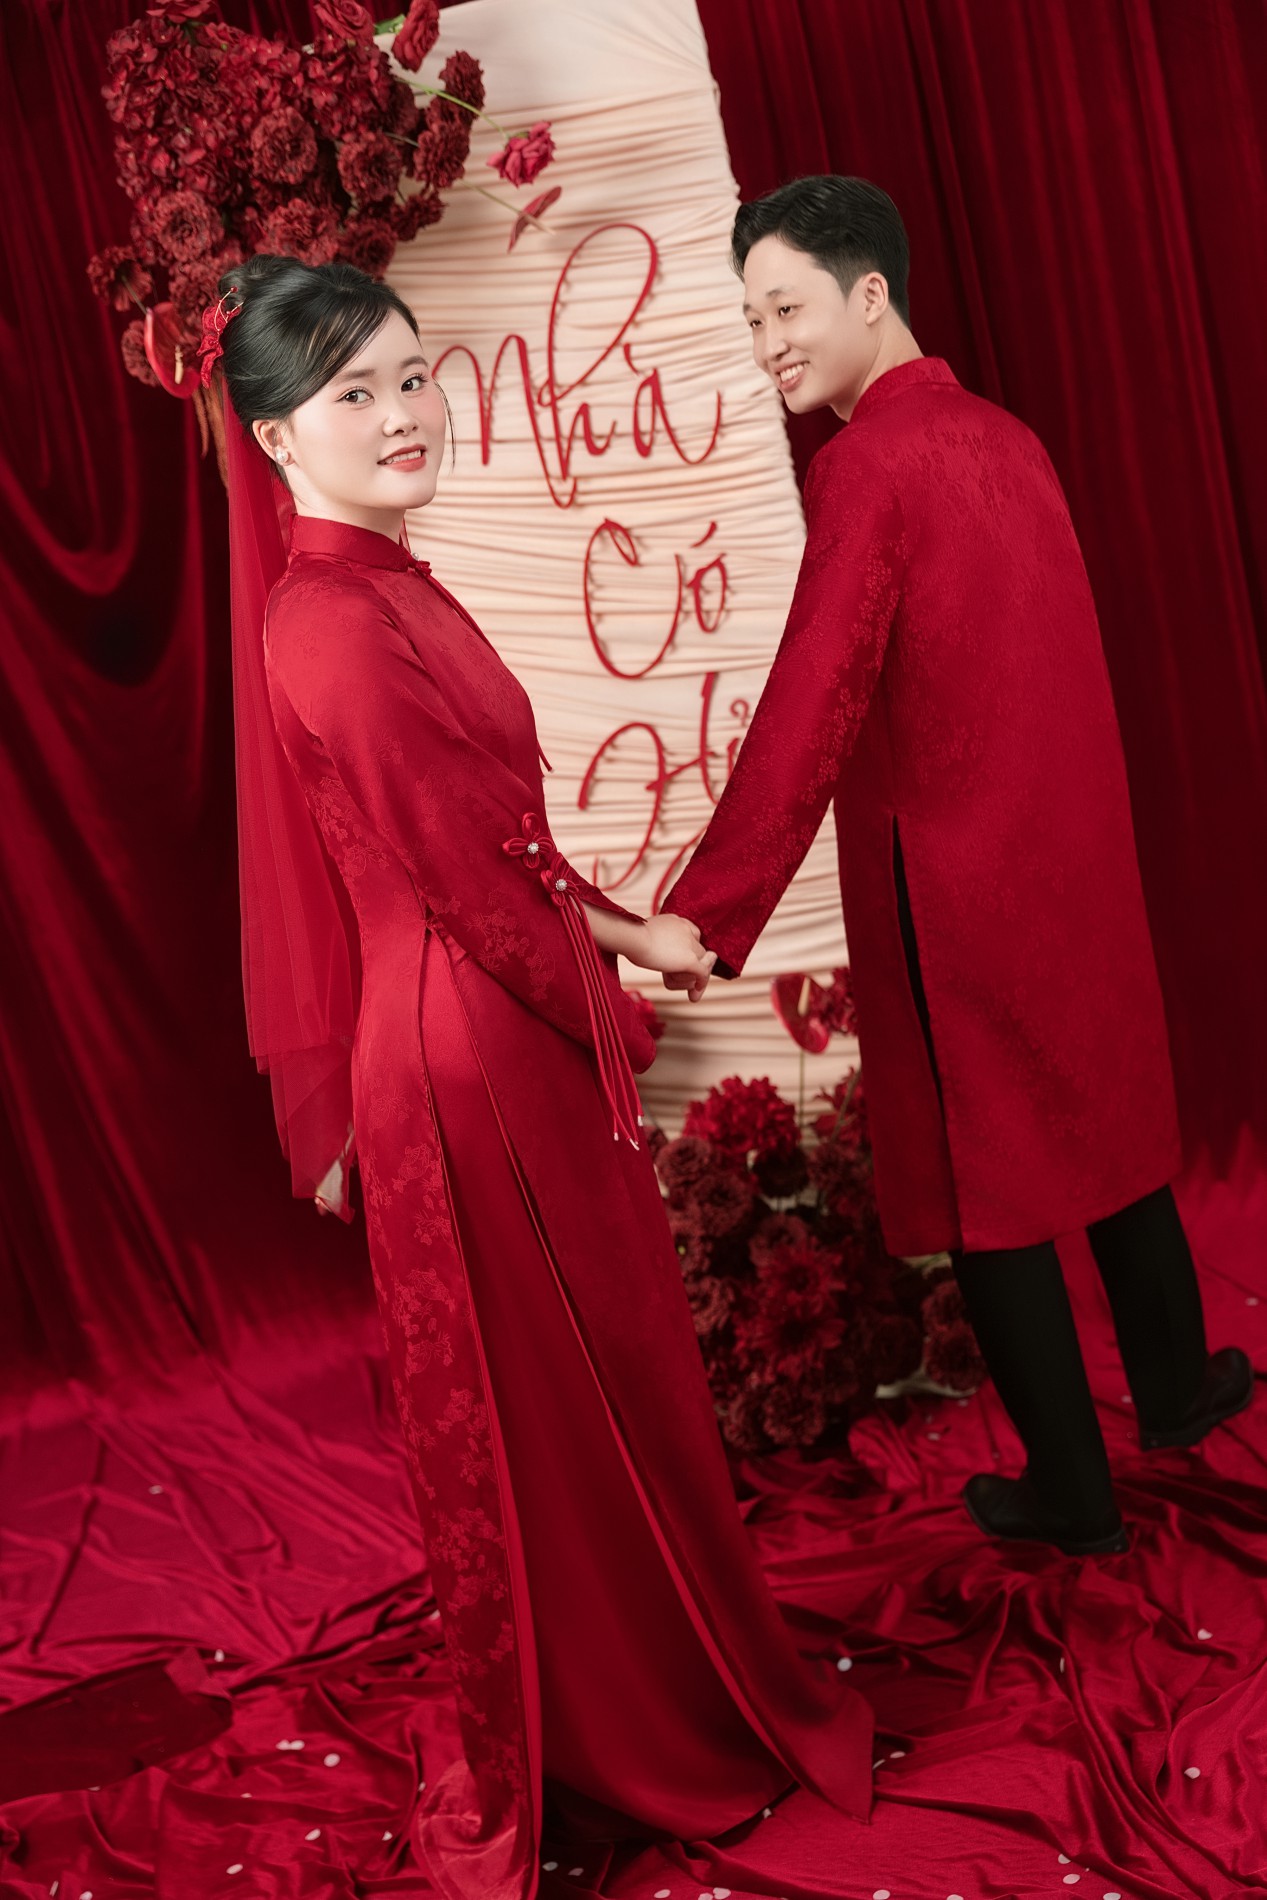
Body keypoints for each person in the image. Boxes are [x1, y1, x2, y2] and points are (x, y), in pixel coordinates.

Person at [210, 254, 872, 1900]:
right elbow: (467, 880)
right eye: (354, 393)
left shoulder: (385, 587)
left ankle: (656, 1684)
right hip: (466, 1051)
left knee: (604, 1381)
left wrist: (635, 933)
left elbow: (496, 843)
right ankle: (623, 1726)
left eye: (412, 377)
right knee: (558, 1404)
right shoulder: (333, 626)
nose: (402, 414)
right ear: (276, 437)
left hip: (484, 1012)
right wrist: (607, 990)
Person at [661, 175, 1254, 1560]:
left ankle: (1073, 1495)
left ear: (870, 294)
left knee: (990, 1188)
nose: (768, 345)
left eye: (785, 309)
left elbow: (811, 703)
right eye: (752, 319)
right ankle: (1177, 1388)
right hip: (1074, 856)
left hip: (957, 875)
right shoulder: (1010, 436)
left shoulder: (865, 466)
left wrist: (710, 911)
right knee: (1105, 1122)